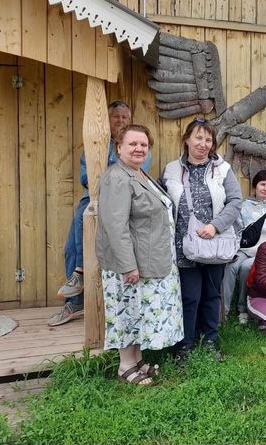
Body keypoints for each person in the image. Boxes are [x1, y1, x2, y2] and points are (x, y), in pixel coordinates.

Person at [49, 100, 152, 327]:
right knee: (73, 244)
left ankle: (81, 276)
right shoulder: (95, 145)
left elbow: (137, 172)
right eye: (116, 117)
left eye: (125, 117)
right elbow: (87, 179)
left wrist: (106, 172)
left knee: (95, 237)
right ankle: (75, 299)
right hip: (94, 198)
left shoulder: (136, 144)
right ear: (108, 120)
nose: (121, 120)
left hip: (127, 202)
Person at [96, 124, 183, 385]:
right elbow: (115, 226)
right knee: (127, 312)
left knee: (139, 312)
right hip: (130, 263)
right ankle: (125, 366)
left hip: (149, 259)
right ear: (118, 147)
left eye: (143, 144)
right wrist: (127, 266)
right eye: (132, 143)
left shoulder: (139, 174)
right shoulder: (117, 178)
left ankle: (136, 360)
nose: (139, 148)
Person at [159, 119, 242, 363]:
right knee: (189, 296)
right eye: (198, 138)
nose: (203, 144)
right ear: (186, 139)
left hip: (215, 243)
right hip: (184, 245)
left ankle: (210, 342)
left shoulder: (223, 169)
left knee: (212, 295)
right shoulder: (171, 169)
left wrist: (215, 226)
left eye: (208, 140)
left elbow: (236, 201)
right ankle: (186, 345)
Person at [222, 169, 266, 323]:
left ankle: (243, 309)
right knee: (230, 267)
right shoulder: (244, 206)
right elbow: (236, 230)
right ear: (255, 186)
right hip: (244, 249)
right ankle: (222, 312)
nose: (265, 188)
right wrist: (231, 250)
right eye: (262, 184)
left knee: (246, 268)